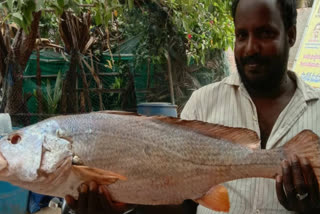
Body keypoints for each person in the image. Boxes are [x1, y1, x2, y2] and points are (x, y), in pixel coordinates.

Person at [66, 0, 320, 213]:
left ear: (290, 34)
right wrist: (119, 206)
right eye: (242, 35)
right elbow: (181, 203)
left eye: (265, 33)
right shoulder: (202, 103)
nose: (250, 47)